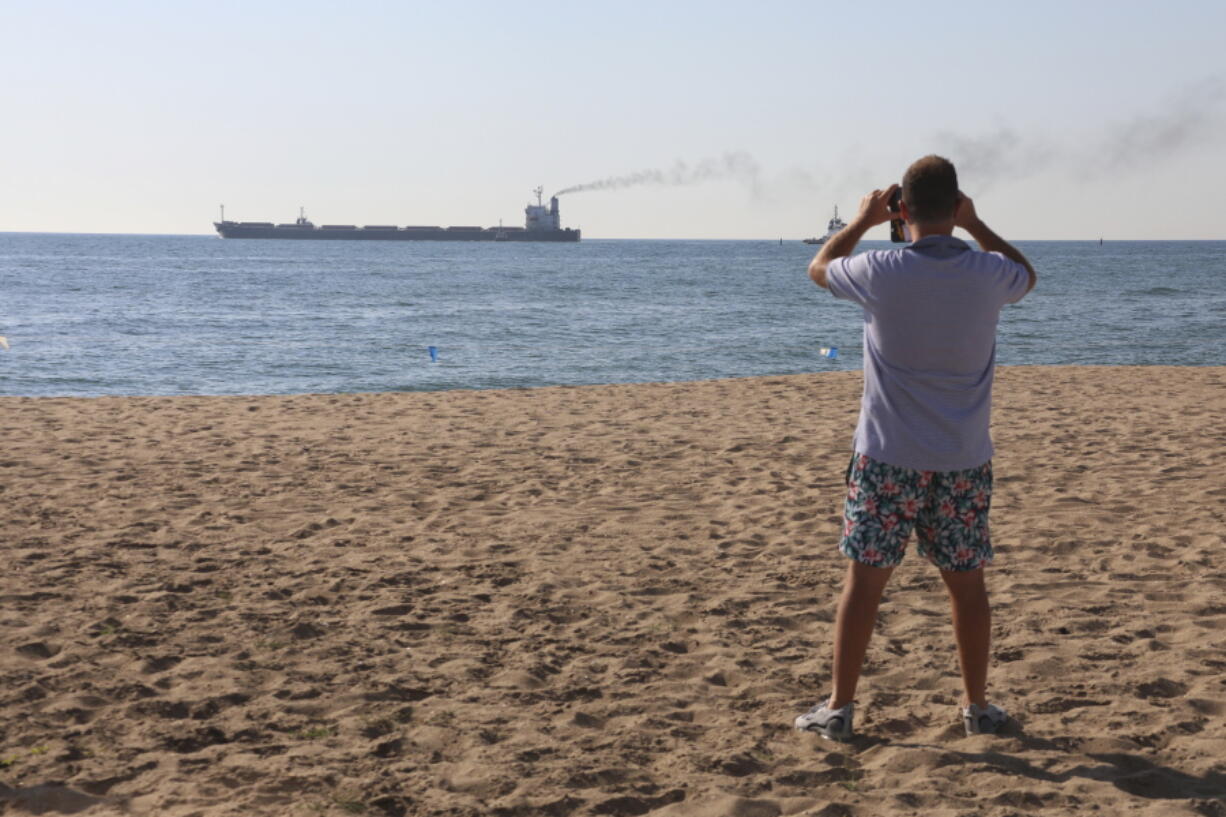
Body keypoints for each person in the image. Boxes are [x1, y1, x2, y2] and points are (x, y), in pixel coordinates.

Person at [794, 155, 1036, 741]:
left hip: (886, 457)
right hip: (962, 459)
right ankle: (977, 707)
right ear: (955, 206)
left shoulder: (879, 270)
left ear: (901, 210)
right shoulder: (987, 275)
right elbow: (1027, 273)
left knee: (864, 585)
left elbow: (820, 267)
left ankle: (840, 708)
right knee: (968, 586)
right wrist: (976, 225)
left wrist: (861, 220)